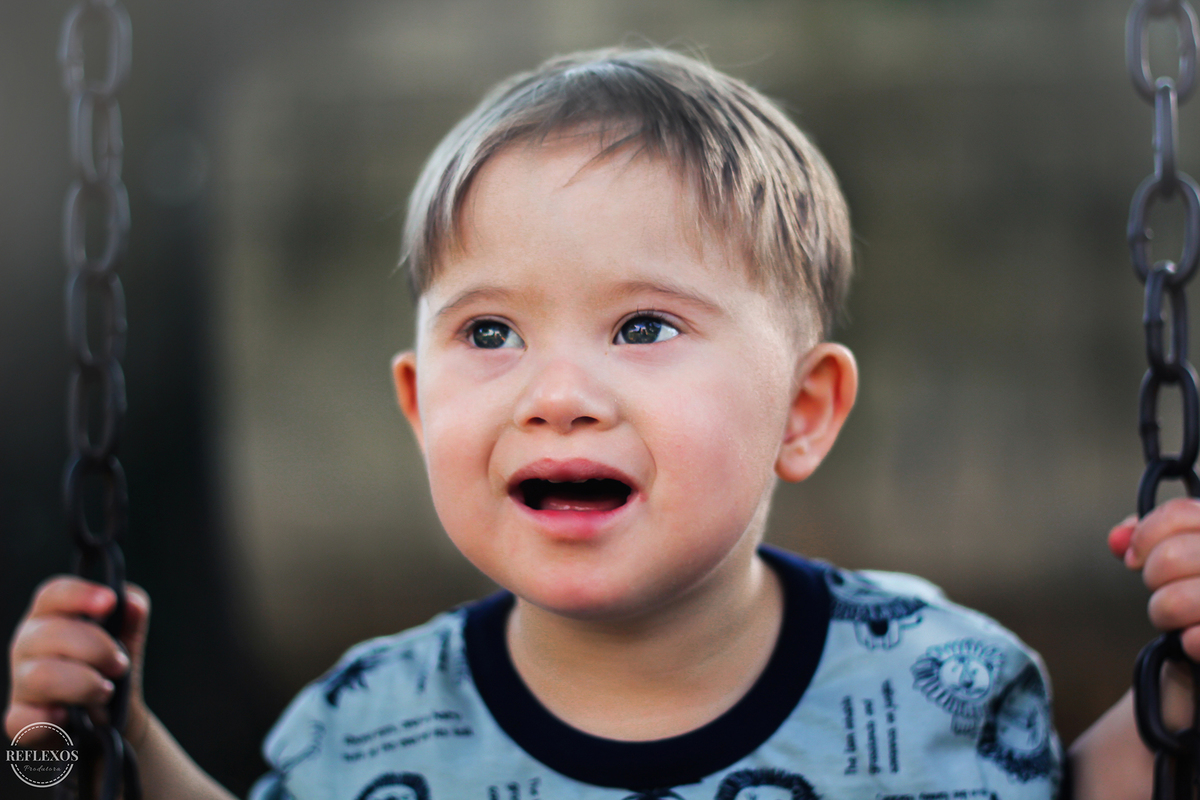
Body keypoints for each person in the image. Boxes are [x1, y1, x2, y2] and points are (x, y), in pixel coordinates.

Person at [6, 46, 1199, 800]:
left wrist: (1186, 679)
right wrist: (103, 747)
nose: (556, 392)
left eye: (641, 327)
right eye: (488, 333)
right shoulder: (367, 724)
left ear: (805, 409)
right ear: (419, 408)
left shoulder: (933, 678)